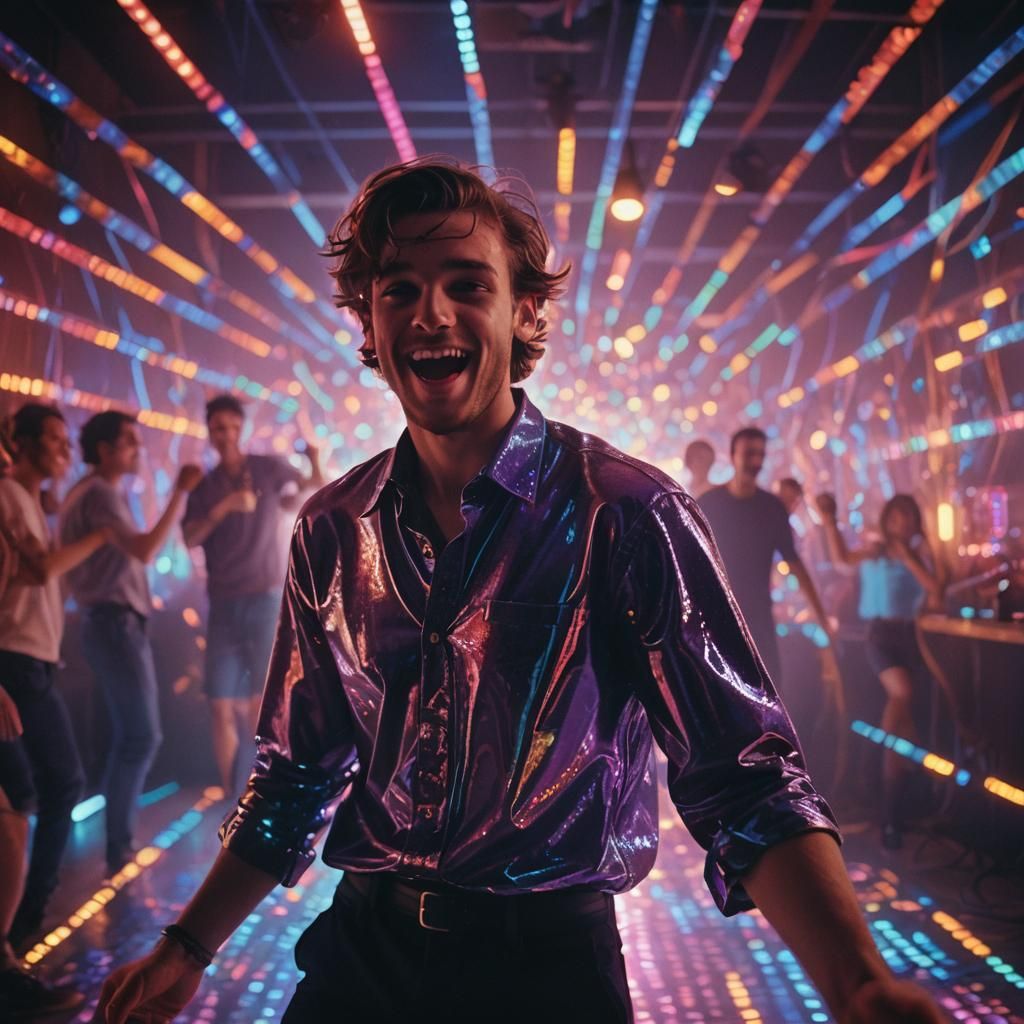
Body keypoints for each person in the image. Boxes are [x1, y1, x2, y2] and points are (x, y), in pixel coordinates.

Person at [96, 158, 944, 1024]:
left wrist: (858, 982)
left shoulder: (628, 512)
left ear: (525, 311)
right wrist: (187, 945)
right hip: (364, 951)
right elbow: (293, 776)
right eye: (399, 290)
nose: (431, 313)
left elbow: (744, 776)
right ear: (368, 319)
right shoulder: (329, 528)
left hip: (548, 972)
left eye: (467, 284)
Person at [0, 403, 110, 1015]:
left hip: (29, 662)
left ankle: (14, 945)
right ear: (18, 443)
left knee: (34, 795)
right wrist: (102, 535)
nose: (63, 447)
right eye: (51, 438)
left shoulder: (30, 503)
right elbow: (40, 571)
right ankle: (13, 947)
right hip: (13, 663)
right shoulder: (10, 496)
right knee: (43, 790)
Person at [59, 410, 202, 875]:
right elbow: (143, 549)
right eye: (129, 443)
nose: (138, 451)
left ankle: (118, 841)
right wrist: (180, 491)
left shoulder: (95, 492)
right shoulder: (99, 492)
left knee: (131, 735)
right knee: (140, 735)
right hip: (114, 624)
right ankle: (118, 846)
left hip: (111, 624)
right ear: (105, 449)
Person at [181, 395, 323, 796]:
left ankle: (264, 790)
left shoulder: (265, 469)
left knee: (264, 702)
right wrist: (224, 508)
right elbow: (189, 537)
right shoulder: (206, 488)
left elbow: (313, 488)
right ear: (209, 433)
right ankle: (231, 796)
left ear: (239, 429)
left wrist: (314, 459)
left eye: (230, 427)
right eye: (217, 428)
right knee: (220, 704)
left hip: (264, 599)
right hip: (223, 604)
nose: (224, 435)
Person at [815, 492, 945, 849]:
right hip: (880, 636)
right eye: (896, 517)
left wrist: (910, 557)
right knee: (902, 694)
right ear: (888, 520)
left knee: (907, 720)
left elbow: (937, 592)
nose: (902, 524)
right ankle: (891, 798)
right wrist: (829, 519)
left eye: (908, 518)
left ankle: (893, 806)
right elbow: (842, 561)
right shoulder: (875, 551)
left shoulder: (919, 556)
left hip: (912, 637)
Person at [698, 427, 833, 687]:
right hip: (715, 616)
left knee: (767, 690)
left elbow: (795, 564)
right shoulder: (709, 504)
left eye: (760, 454)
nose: (756, 462)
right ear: (733, 455)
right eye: (749, 454)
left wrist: (821, 616)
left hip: (758, 617)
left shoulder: (771, 508)